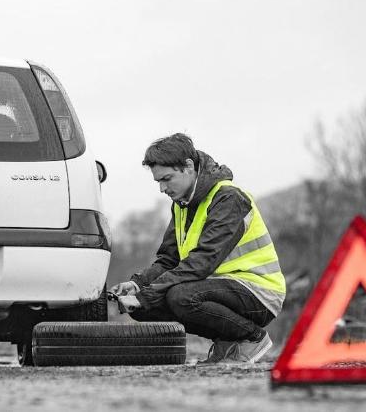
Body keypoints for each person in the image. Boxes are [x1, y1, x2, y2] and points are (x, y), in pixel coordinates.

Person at [110, 133, 285, 363]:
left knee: (179, 296)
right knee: (143, 307)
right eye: (158, 181)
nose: (162, 188)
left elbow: (202, 262)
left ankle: (252, 338)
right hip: (218, 289)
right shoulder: (182, 204)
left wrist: (147, 295)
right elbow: (168, 260)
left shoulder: (229, 199)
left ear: (188, 167)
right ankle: (228, 342)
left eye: (167, 179)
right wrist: (138, 285)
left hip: (258, 293)